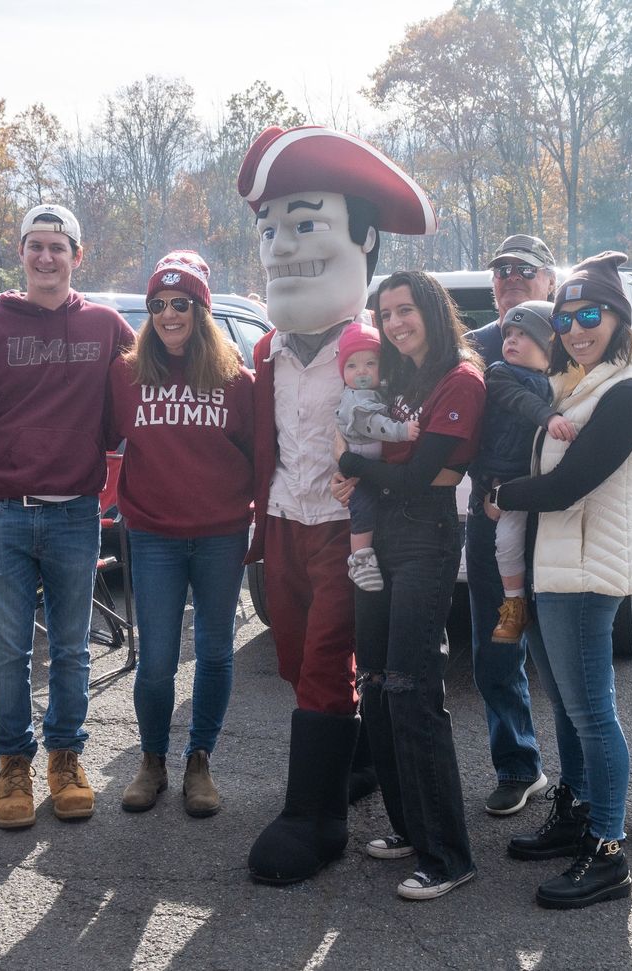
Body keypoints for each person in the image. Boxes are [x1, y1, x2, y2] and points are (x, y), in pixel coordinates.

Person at [236, 125, 438, 885]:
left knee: (324, 659)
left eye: (306, 222)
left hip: (349, 531)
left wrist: (384, 469)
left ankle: (312, 818)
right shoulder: (265, 352)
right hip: (284, 522)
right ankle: (351, 762)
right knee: (295, 657)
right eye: (271, 229)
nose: (284, 243)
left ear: (363, 240)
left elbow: (422, 425)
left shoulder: (381, 349)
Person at [0, 204, 135, 830]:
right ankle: (12, 764)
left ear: (78, 256)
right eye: (35, 245)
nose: (46, 257)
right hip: (0, 515)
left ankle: (65, 757)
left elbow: (153, 385)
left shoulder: (107, 327)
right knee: (7, 649)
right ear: (20, 252)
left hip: (77, 512)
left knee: (74, 647)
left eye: (58, 246)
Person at [495, 251, 632, 909]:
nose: (575, 328)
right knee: (569, 706)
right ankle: (578, 810)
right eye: (565, 317)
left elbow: (569, 485)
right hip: (559, 564)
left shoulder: (629, 392)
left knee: (592, 710)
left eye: (590, 314)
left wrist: (501, 494)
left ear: (619, 317)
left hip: (589, 570)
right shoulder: (586, 382)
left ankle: (607, 848)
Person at [335, 270, 485, 900]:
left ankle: (447, 853)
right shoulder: (396, 379)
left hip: (425, 534)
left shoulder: (461, 378)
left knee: (413, 686)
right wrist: (366, 474)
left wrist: (352, 469)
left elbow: (426, 474)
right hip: (383, 532)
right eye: (386, 313)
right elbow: (386, 451)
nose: (395, 323)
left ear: (431, 309)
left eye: (405, 310)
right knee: (373, 679)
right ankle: (407, 828)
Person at [110, 251, 254, 818]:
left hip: (221, 534)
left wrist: (259, 518)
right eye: (159, 305)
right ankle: (151, 761)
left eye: (182, 304)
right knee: (158, 659)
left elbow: (259, 457)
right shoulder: (127, 375)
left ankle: (200, 760)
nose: (170, 314)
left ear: (202, 310)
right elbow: (98, 437)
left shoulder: (236, 381)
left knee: (216, 652)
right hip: (155, 537)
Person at [465, 234, 557, 816]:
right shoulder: (472, 349)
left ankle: (584, 788)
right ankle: (519, 766)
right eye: (501, 271)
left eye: (525, 269)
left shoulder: (573, 337)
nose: (511, 278)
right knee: (496, 645)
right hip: (490, 513)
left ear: (550, 280)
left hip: (563, 517)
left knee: (562, 652)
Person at [473, 301, 573, 645]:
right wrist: (548, 417)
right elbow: (517, 399)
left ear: (549, 345)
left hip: (547, 482)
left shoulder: (559, 381)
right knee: (507, 541)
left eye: (523, 334)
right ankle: (514, 601)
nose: (511, 340)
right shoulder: (501, 373)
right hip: (508, 479)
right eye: (508, 333)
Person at [334, 317, 420, 591]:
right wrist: (402, 431)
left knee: (367, 507)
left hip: (368, 467)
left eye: (370, 363)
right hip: (360, 468)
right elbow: (375, 425)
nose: (362, 371)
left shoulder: (374, 393)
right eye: (352, 365)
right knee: (363, 510)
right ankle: (360, 559)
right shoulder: (357, 400)